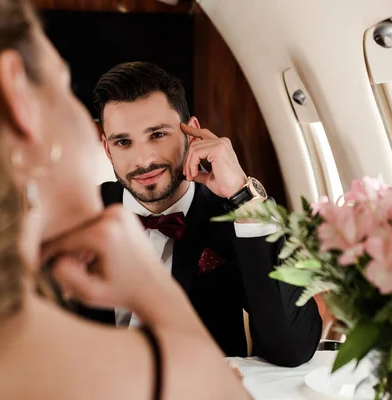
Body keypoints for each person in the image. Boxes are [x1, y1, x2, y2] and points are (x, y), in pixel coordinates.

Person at [0, 1, 250, 399]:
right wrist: (157, 297)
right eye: (63, 86)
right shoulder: (147, 376)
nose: (142, 158)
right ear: (17, 96)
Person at [87, 62, 323, 367]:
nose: (143, 160)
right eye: (123, 142)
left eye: (157, 135)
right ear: (107, 149)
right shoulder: (77, 214)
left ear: (192, 133)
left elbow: (292, 350)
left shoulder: (237, 217)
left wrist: (243, 196)